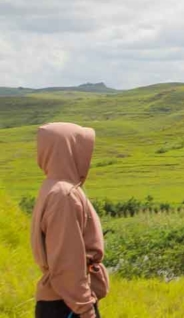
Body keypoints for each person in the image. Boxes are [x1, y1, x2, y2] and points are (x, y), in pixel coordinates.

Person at [31, 123, 109, 318]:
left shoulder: (54, 187)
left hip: (64, 301)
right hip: (68, 305)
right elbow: (67, 263)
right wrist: (85, 310)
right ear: (69, 152)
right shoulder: (64, 195)